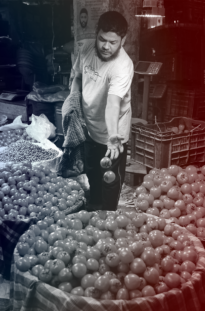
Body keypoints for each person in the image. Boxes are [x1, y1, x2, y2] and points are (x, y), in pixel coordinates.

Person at [71, 11, 134, 211]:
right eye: (102, 39)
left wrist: (113, 135)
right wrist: (73, 100)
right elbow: (78, 77)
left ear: (123, 40)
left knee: (110, 179)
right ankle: (94, 208)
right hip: (90, 126)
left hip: (113, 134)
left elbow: (113, 103)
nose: (106, 46)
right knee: (92, 171)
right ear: (97, 33)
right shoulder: (86, 48)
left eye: (113, 42)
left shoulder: (123, 66)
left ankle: (109, 217)